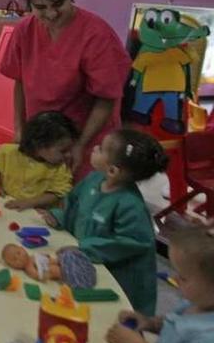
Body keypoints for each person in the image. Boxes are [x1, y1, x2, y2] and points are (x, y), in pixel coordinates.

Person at [0, 0, 131, 178]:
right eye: (40, 7)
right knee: (37, 196)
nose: (50, 14)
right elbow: (20, 81)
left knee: (79, 199)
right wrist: (20, 129)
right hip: (43, 137)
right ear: (29, 4)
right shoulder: (24, 31)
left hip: (87, 136)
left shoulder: (96, 35)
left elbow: (107, 98)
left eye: (58, 4)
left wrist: (80, 144)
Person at [39, 129, 167, 316]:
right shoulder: (93, 179)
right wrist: (59, 217)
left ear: (113, 170)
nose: (94, 148)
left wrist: (86, 248)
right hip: (84, 260)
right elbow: (73, 203)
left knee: (108, 317)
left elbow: (132, 242)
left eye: (100, 149)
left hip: (119, 278)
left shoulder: (130, 205)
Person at [106, 226, 214, 343]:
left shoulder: (209, 338)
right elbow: (175, 325)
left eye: (183, 277)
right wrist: (150, 323)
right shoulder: (195, 302)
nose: (174, 279)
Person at [0, 110, 77, 211]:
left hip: (36, 214)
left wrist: (30, 203)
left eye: (69, 150)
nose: (69, 155)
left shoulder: (60, 167)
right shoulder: (8, 152)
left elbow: (57, 193)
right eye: (63, 151)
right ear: (40, 145)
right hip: (6, 206)